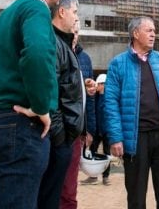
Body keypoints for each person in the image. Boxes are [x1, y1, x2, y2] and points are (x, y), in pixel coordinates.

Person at [0, 0, 67, 209]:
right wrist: (41, 107)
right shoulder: (36, 8)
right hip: (21, 124)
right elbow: (38, 54)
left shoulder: (7, 14)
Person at [104, 16, 159, 209]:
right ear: (135, 34)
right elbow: (110, 102)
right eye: (149, 30)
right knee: (136, 194)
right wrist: (115, 138)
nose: (153, 34)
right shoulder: (118, 64)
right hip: (135, 139)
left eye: (154, 30)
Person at [38, 0, 87, 209]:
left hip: (66, 135)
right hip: (59, 137)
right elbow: (51, 92)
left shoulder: (65, 46)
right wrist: (61, 137)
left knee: (61, 192)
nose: (77, 18)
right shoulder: (54, 43)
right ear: (62, 11)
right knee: (50, 196)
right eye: (75, 12)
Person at [60, 20, 97, 208]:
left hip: (76, 132)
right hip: (57, 130)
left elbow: (87, 100)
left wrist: (88, 129)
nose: (75, 34)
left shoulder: (85, 59)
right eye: (72, 30)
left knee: (69, 190)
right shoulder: (56, 50)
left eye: (77, 31)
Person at [80, 72, 110, 186]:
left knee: (106, 153)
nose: (96, 86)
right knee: (93, 151)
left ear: (103, 84)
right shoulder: (95, 98)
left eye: (99, 84)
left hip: (105, 130)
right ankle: (93, 176)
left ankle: (105, 177)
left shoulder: (108, 98)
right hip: (97, 130)